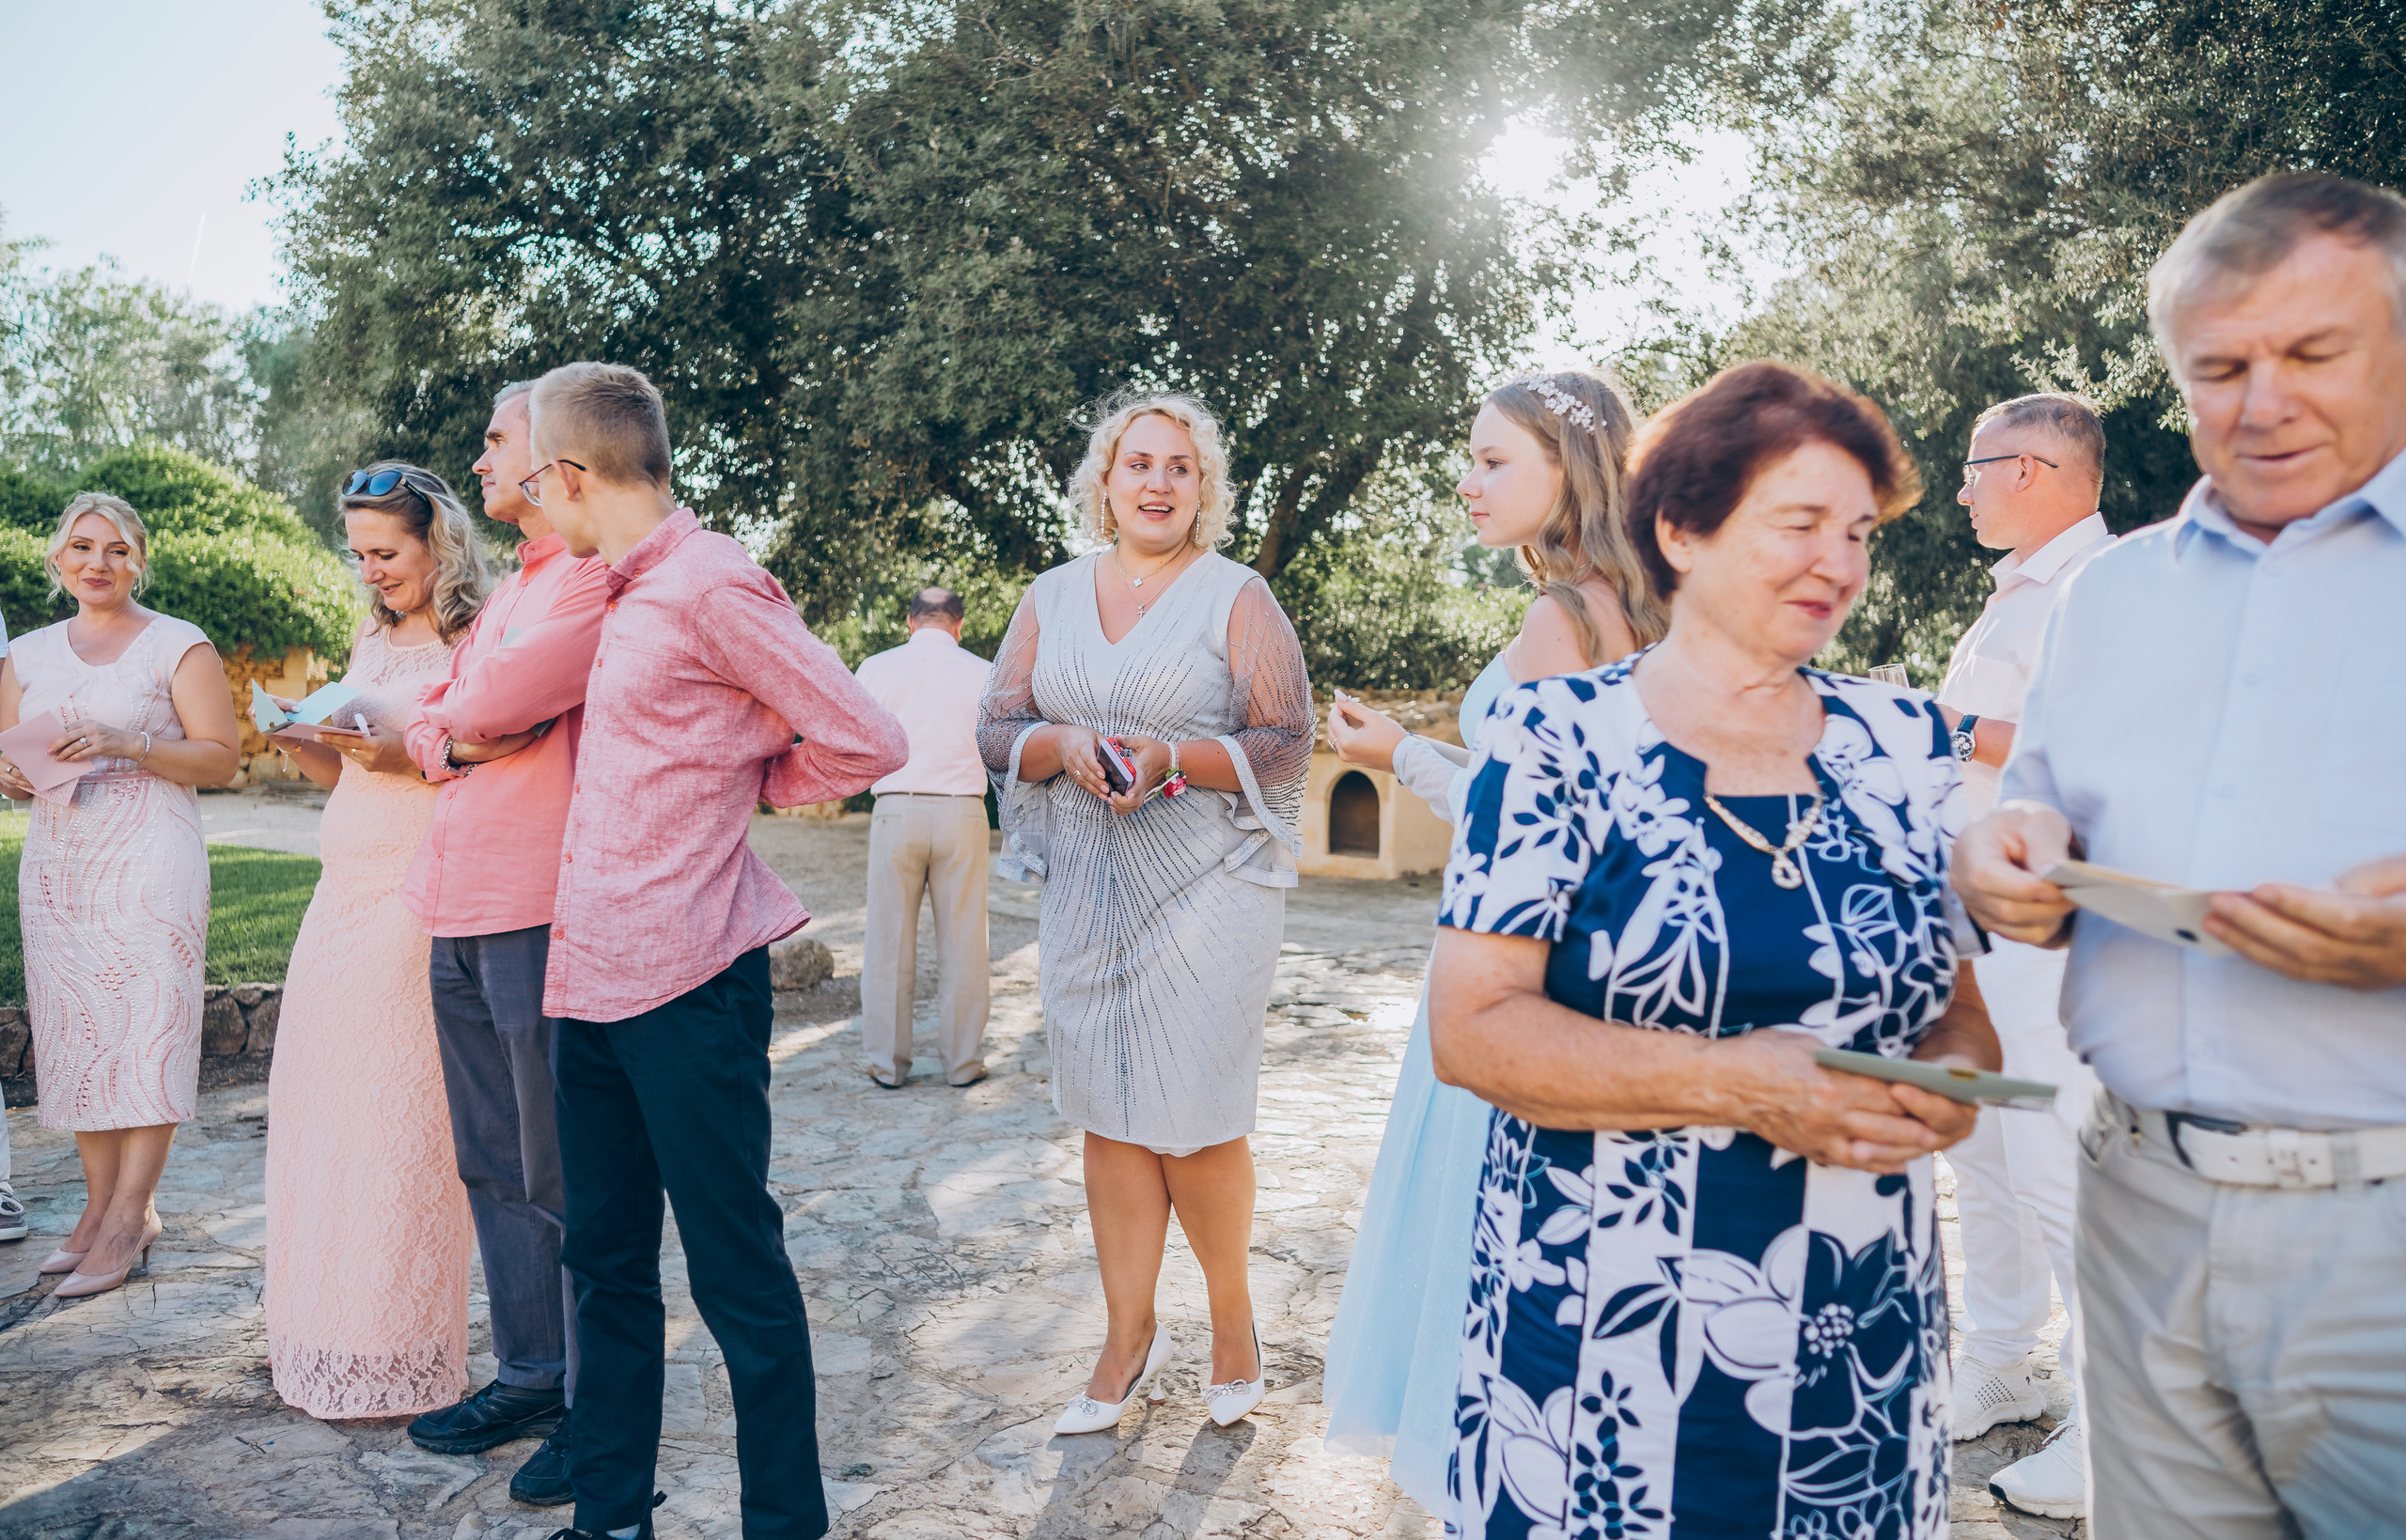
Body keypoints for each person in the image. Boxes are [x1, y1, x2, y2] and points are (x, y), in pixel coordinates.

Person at [1428, 361, 2001, 1540]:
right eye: (1798, 523)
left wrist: (1947, 1091)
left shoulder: (1901, 743)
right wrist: (1741, 1082)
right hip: (1603, 1346)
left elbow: (1961, 1020)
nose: (1837, 562)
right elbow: (1471, 1029)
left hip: (1857, 1338)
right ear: (1681, 529)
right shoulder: (1557, 739)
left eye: (1857, 533)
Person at [1953, 171, 2406, 1540]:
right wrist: (2002, 854)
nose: (2261, 400)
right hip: (2141, 1203)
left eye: (2314, 353)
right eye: (2220, 365)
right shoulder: (2119, 591)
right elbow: (2026, 795)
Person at [525, 362, 907, 1540]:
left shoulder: (711, 585)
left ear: (575, 473)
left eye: (539, 476)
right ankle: (610, 1517)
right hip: (586, 975)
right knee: (604, 1265)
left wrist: (744, 785)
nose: (534, 497)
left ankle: (784, 1525)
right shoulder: (616, 590)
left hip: (690, 982)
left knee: (737, 1276)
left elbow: (864, 735)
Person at [1318, 367, 1666, 1511]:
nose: (1467, 483)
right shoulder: (1640, 599)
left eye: (1491, 461)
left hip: (1511, 963)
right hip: (1589, 965)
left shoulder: (1559, 618)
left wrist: (1402, 761)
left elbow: (1530, 829)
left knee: (1485, 1224)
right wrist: (1399, 752)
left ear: (1567, 471)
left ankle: (1497, 1467)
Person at [978, 390, 1314, 1435]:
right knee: (1111, 1117)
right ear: (1106, 482)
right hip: (1089, 889)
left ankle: (1229, 1324)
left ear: (1201, 488)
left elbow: (1287, 737)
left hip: (1208, 890)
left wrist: (1173, 756)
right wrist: (1060, 743)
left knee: (1197, 1118)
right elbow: (996, 725)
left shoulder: (1235, 595)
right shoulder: (1051, 592)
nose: (1157, 482)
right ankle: (1127, 1339)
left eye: (1179, 466)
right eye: (1138, 464)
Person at [398, 381, 611, 1504]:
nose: (480, 461)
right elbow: (437, 719)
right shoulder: (513, 589)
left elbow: (489, 707)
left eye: (495, 440)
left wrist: (453, 727)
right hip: (457, 903)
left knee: (558, 1168)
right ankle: (530, 1372)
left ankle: (591, 1397)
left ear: (550, 452)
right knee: (489, 1159)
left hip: (537, 906)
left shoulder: (586, 578)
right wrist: (453, 732)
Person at [261, 463, 492, 1418]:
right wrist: (304, 736)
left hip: (414, 893)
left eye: (386, 553)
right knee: (321, 1111)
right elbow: (345, 776)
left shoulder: (482, 633)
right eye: (358, 555)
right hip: (338, 894)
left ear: (438, 539)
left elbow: (483, 760)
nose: (371, 572)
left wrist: (395, 750)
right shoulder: (367, 632)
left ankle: (397, 1346)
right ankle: (324, 1331)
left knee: (397, 1123)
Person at [1931, 392, 2117, 1517]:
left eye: (1973, 467)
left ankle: (2112, 1427)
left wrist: (1930, 727)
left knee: (2059, 1171)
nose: (1959, 487)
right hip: (1976, 926)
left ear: (2036, 470)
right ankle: (2006, 1358)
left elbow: (2087, 753)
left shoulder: (2101, 593)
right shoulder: (2018, 594)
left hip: (2049, 936)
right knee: (1984, 1160)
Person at [0, 494, 239, 1298]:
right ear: (57, 561)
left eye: (115, 548)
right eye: (80, 546)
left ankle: (133, 1214)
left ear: (140, 559)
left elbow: (220, 759)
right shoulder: (25, 655)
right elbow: (13, 766)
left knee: (145, 1027)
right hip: (61, 865)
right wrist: (9, 778)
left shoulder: (179, 643)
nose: (97, 561)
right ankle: (97, 1209)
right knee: (78, 1033)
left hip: (151, 858)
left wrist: (128, 743)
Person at [852, 586, 995, 1090]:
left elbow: (855, 738)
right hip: (962, 813)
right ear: (959, 626)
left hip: (896, 809)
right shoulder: (984, 672)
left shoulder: (876, 667)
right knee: (964, 941)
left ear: (910, 623)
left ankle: (888, 1065)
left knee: (888, 941)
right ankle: (961, 1064)